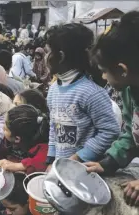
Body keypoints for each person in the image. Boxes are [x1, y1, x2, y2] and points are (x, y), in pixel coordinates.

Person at [44, 23, 120, 166]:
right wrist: (51, 158)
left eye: (48, 51)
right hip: (62, 168)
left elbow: (110, 131)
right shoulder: (54, 90)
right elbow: (54, 127)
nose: (45, 56)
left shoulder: (91, 93)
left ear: (60, 56)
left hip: (85, 171)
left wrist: (79, 157)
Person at [85, 11, 139, 206]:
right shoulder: (130, 91)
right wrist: (109, 163)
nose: (105, 78)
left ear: (122, 70)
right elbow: (131, 133)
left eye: (104, 72)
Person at [0, 104, 49, 174]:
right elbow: (0, 154)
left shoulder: (44, 147)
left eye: (5, 129)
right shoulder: (8, 140)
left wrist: (19, 166)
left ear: (17, 139)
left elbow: (41, 163)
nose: (2, 128)